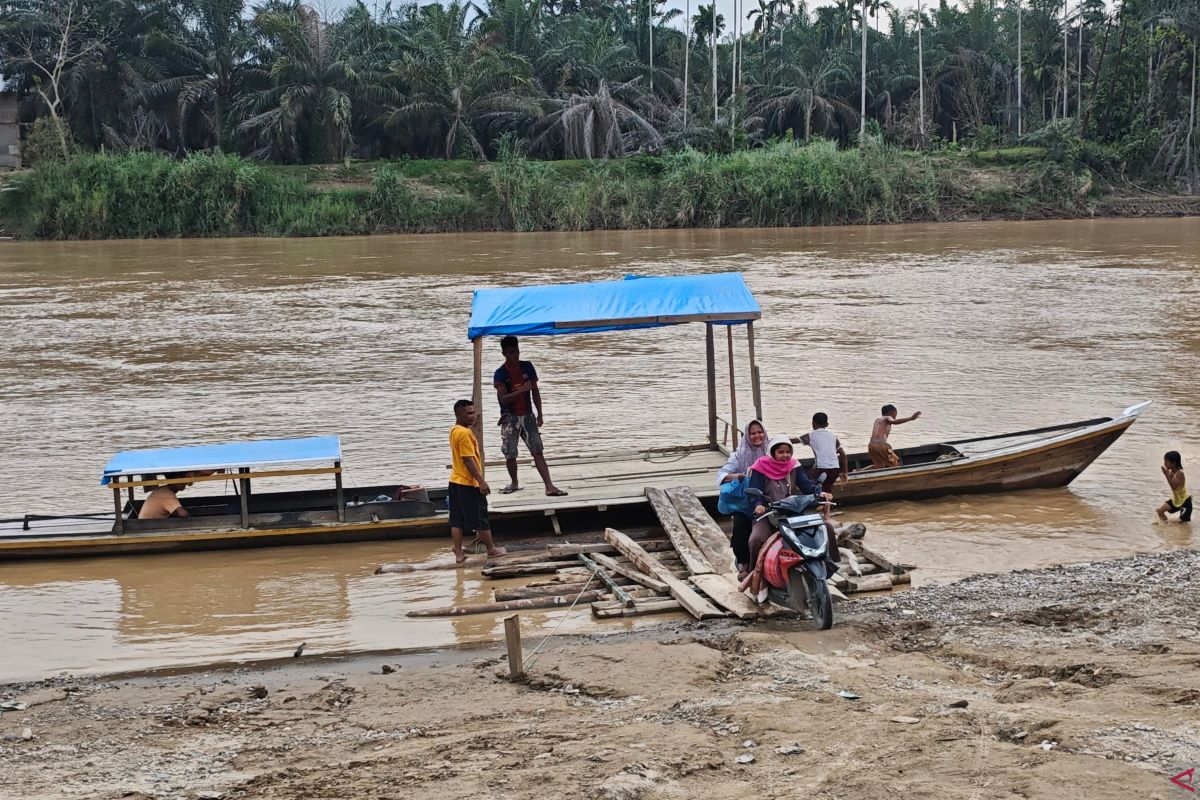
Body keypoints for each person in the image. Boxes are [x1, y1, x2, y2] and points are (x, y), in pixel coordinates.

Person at [493, 335, 567, 497]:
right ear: (504, 353)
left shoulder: (527, 367)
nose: (515, 355)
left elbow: (535, 392)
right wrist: (522, 390)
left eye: (517, 351)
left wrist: (540, 414)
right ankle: (514, 482)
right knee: (510, 454)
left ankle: (549, 486)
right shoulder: (500, 373)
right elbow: (503, 398)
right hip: (509, 417)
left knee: (537, 450)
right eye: (511, 352)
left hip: (527, 415)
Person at [746, 436, 834, 570]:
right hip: (768, 513)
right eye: (781, 452)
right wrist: (758, 504)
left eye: (788, 452)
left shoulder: (794, 466)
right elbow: (754, 491)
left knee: (826, 527)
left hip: (793, 511)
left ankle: (829, 564)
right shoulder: (760, 467)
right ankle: (754, 573)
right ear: (772, 452)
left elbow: (807, 486)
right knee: (756, 539)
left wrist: (820, 493)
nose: (785, 455)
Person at [448, 399, 506, 563]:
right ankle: (491, 550)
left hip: (455, 480)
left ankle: (459, 553)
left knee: (456, 519)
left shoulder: (455, 430)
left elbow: (471, 420)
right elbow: (468, 459)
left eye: (474, 412)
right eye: (469, 413)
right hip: (468, 483)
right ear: (459, 414)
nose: (473, 416)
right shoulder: (465, 434)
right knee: (481, 517)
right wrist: (481, 481)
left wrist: (475, 415)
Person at [717, 419, 768, 579]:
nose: (757, 436)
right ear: (747, 436)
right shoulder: (738, 456)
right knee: (740, 524)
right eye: (753, 433)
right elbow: (722, 475)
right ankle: (744, 563)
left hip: (766, 498)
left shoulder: (771, 451)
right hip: (745, 503)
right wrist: (737, 476)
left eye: (760, 432)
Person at [799, 412, 848, 493]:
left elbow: (792, 441)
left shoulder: (810, 435)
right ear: (827, 424)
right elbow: (843, 455)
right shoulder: (833, 436)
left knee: (807, 481)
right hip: (835, 469)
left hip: (820, 468)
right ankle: (827, 501)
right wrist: (845, 473)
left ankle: (817, 498)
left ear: (813, 423)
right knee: (827, 488)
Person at [867, 404, 921, 469]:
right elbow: (894, 421)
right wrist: (911, 418)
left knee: (879, 466)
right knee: (895, 463)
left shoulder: (878, 420)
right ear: (892, 412)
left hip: (871, 445)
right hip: (881, 445)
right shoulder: (888, 417)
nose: (895, 416)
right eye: (896, 414)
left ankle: (857, 472)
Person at [1157, 451, 1192, 523]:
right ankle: (1166, 526)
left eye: (1166, 461)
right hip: (1176, 500)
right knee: (1160, 511)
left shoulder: (1180, 473)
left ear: (1174, 463)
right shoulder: (1171, 472)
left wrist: (1166, 475)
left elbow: (1173, 487)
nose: (1164, 463)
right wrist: (1168, 474)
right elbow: (1172, 484)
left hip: (1185, 501)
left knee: (1183, 524)